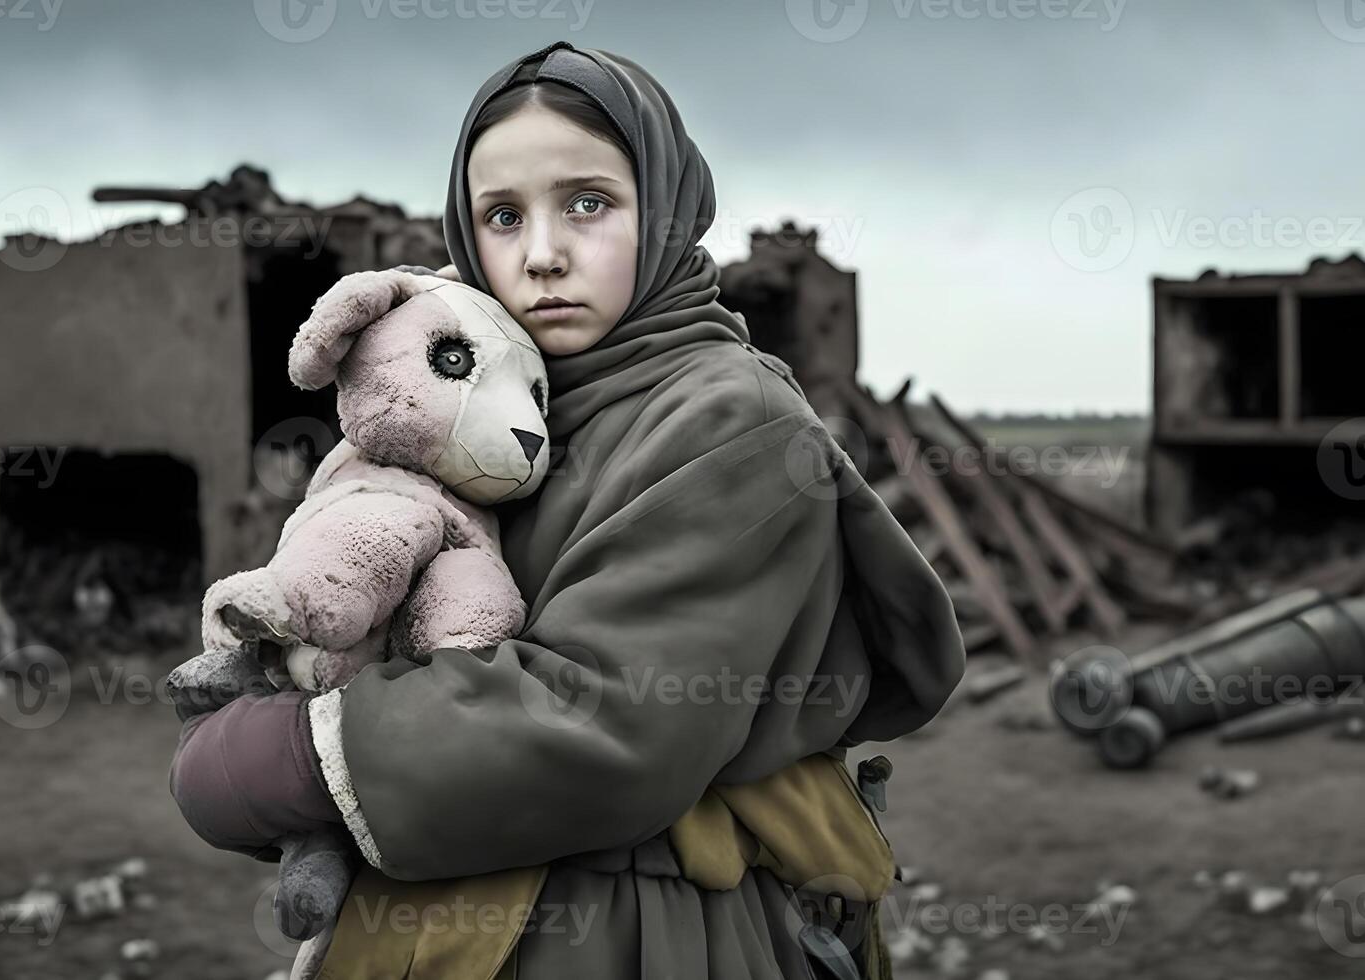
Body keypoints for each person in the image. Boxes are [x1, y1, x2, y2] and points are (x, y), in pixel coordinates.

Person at [169, 40, 965, 978]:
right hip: (457, 910)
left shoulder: (727, 418)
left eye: (588, 202)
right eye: (501, 216)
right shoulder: (485, 410)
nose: (542, 254)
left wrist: (285, 756)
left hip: (642, 933)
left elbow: (610, 722)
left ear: (664, 210)